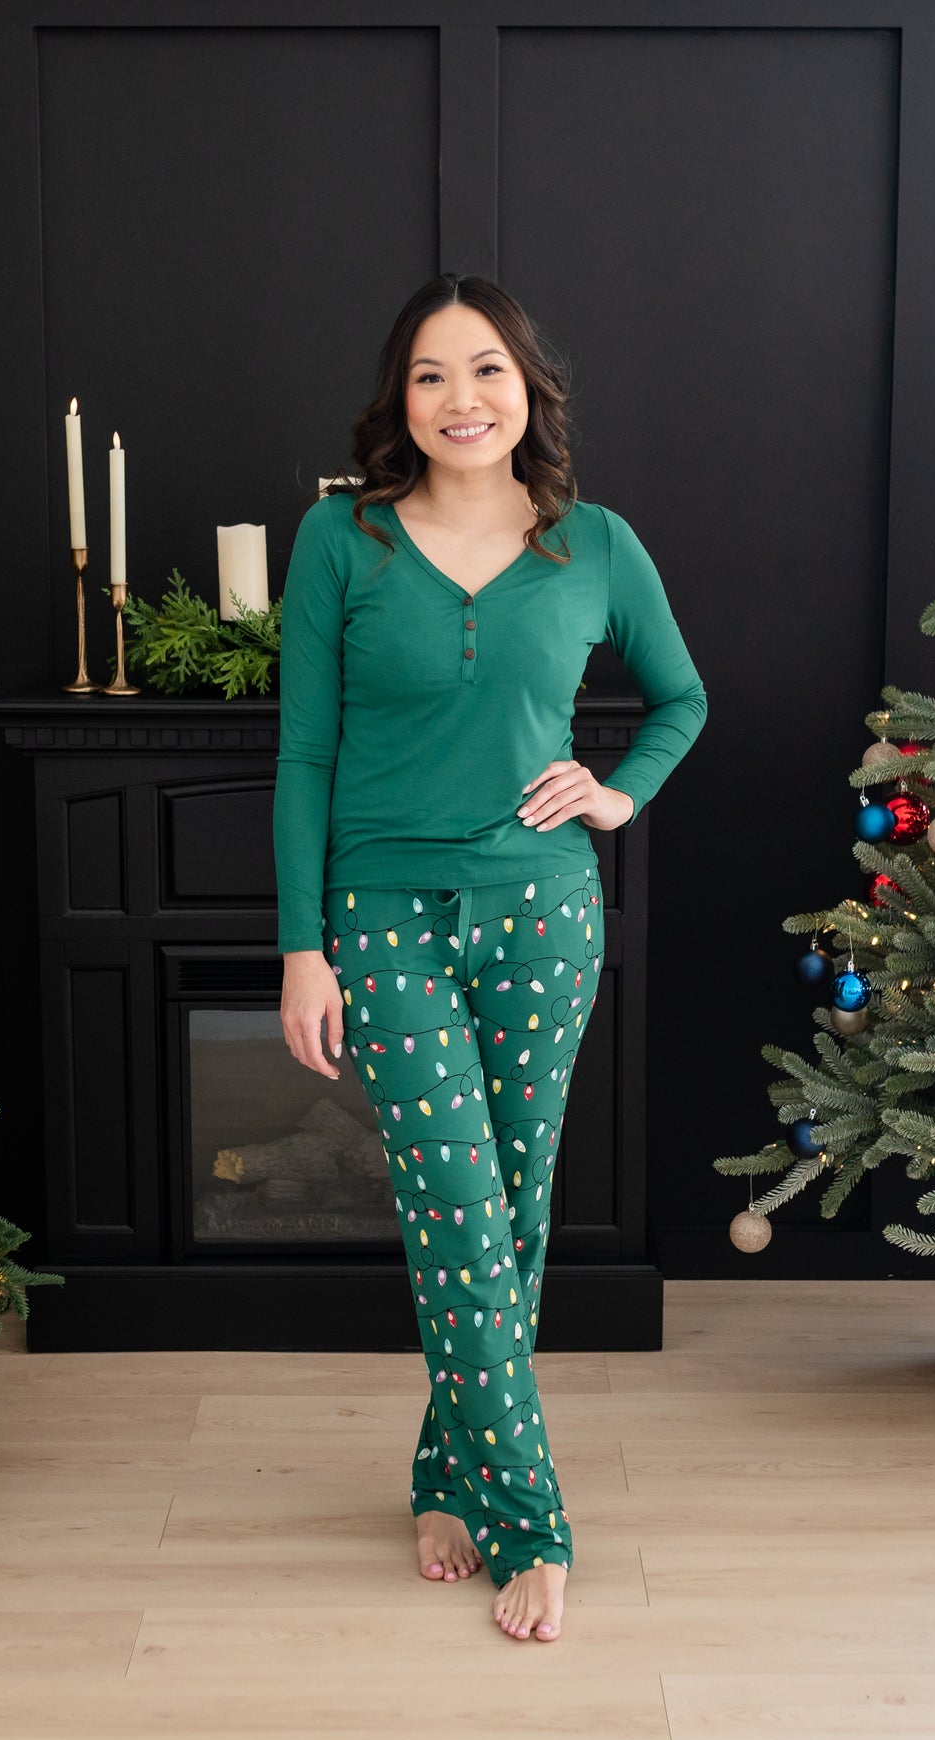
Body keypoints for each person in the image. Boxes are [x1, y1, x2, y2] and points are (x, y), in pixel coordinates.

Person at [274, 273, 706, 1642]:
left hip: (544, 914)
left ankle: (439, 1472)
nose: (461, 400)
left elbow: (683, 699)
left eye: (487, 373)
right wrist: (302, 947)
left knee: (509, 1214)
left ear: (530, 391)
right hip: (385, 916)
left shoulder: (598, 546)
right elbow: (302, 756)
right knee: (458, 1211)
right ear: (399, 401)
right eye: (430, 376)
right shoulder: (341, 540)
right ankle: (535, 1520)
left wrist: (617, 791)